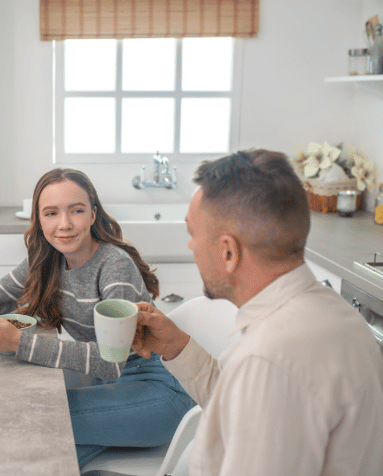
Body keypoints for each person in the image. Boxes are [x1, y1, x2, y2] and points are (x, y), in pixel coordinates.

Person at [0, 168, 194, 467]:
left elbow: (112, 361)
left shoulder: (114, 266)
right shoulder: (47, 260)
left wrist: (19, 344)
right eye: (51, 213)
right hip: (109, 387)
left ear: (93, 215)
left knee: (35, 422)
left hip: (159, 393)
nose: (64, 224)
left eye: (76, 210)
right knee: (38, 450)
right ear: (39, 220)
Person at [132, 149, 383, 475]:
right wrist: (175, 346)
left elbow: (263, 386)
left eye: (193, 234)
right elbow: (245, 410)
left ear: (228, 252)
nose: (191, 246)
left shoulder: (269, 358)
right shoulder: (334, 313)